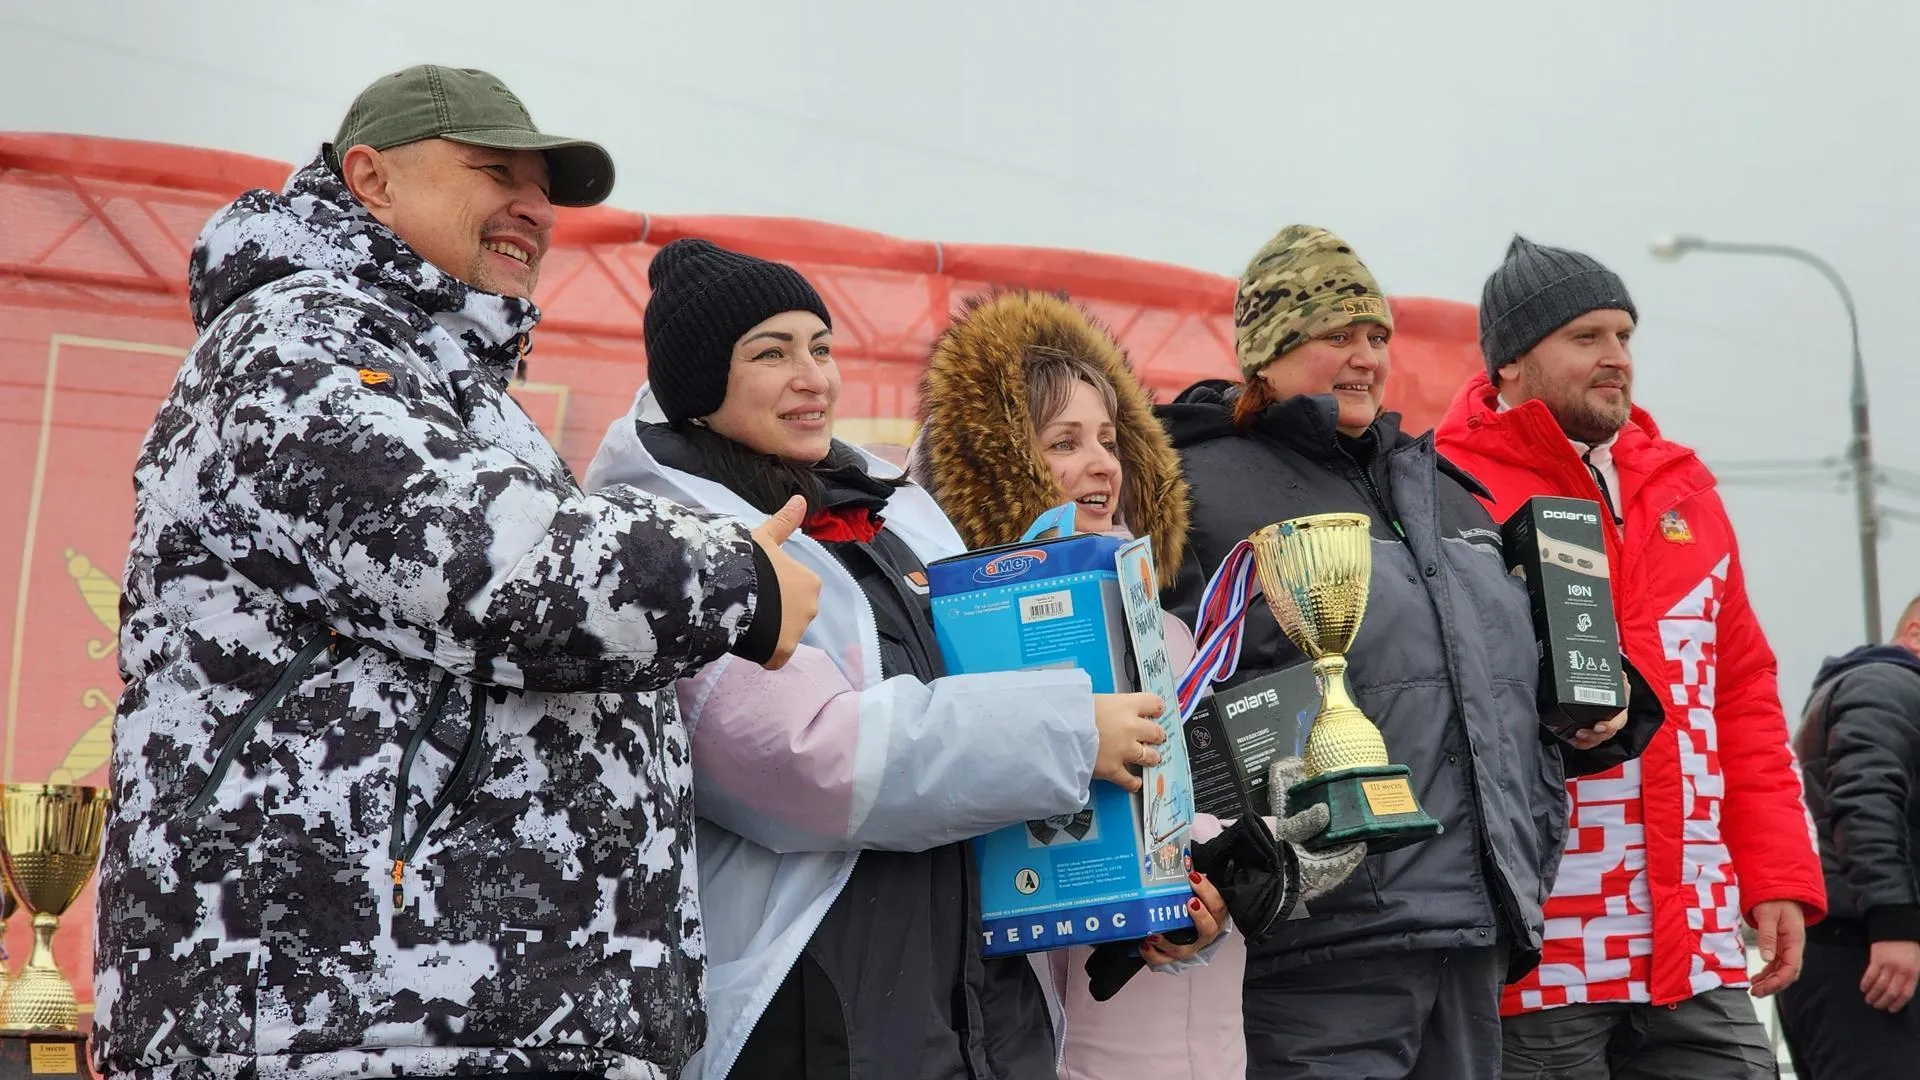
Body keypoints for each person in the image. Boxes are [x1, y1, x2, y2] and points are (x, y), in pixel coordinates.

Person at [92, 66, 826, 1080]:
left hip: (469, 1025)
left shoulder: (439, 379)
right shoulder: (294, 343)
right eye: (494, 173)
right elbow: (484, 563)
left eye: (545, 190)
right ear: (371, 179)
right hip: (342, 1026)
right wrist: (733, 578)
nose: (533, 208)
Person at [583, 240, 1192, 1079]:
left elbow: (982, 706)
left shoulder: (892, 513)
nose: (814, 376)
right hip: (825, 1004)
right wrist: (1067, 732)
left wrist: (1144, 872)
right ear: (698, 386)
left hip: (980, 995)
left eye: (821, 347)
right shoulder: (681, 549)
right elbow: (811, 764)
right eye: (771, 353)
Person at [1160, 224, 1650, 1080]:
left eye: (1377, 337)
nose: (1365, 357)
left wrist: (1603, 709)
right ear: (1267, 353)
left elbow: (1496, 677)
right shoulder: (1192, 488)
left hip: (1467, 918)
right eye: (1337, 336)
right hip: (1319, 933)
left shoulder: (1444, 494)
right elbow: (1158, 683)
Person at [910, 288, 1363, 1079]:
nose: (1100, 465)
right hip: (1070, 1039)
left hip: (1209, 1035)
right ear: (999, 469)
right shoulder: (957, 641)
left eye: (1110, 439)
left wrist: (1232, 887)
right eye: (1063, 442)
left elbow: (1205, 811)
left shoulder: (1172, 628)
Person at [1436, 235, 1828, 1079]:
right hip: (1541, 959)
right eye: (1587, 338)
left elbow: (1744, 701)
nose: (1617, 358)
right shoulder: (1442, 487)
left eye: (1624, 336)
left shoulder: (1684, 490)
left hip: (1693, 946)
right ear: (1509, 362)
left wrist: (1776, 875)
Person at [1778, 594, 1920, 1078]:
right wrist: (1894, 923)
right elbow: (1865, 799)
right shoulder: (1888, 684)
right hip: (1862, 954)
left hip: (1858, 948)